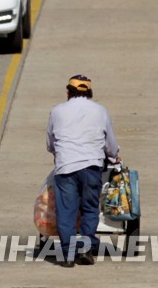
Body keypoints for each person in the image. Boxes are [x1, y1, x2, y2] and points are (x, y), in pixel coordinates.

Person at [46, 74, 120, 267]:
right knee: (89, 208)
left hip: (66, 166)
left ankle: (69, 254)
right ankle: (86, 248)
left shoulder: (57, 111)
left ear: (68, 92)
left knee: (66, 211)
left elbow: (50, 143)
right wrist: (114, 156)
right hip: (91, 166)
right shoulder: (100, 111)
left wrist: (60, 153)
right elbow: (110, 143)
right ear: (89, 92)